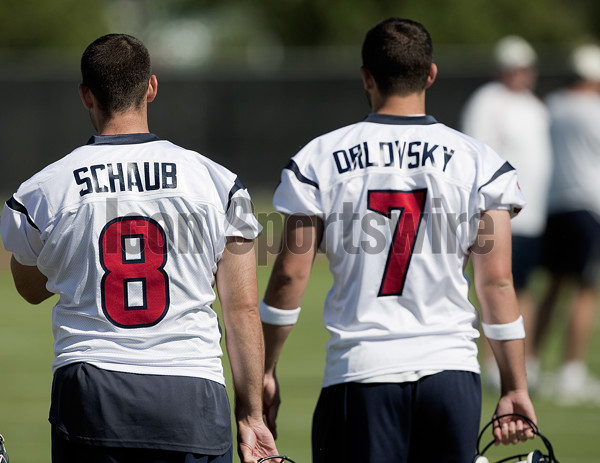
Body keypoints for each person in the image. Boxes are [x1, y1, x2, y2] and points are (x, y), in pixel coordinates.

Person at [260, 18, 537, 463]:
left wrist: (264, 368)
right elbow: (497, 284)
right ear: (430, 74)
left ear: (366, 77)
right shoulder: (480, 162)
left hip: (361, 370)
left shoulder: (318, 159)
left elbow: (290, 276)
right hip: (451, 373)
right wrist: (515, 386)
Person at [0, 34, 278, 463]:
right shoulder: (216, 181)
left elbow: (31, 288)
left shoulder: (43, 190)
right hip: (191, 393)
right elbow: (240, 309)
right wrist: (252, 417)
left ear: (85, 95)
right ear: (151, 87)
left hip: (92, 393)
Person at [461, 35, 553, 390]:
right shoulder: (488, 101)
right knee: (493, 284)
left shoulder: (534, 106)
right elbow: (477, 155)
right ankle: (492, 363)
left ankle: (522, 360)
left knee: (524, 286)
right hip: (496, 214)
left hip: (532, 214)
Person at [533, 43, 600, 405]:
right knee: (585, 291)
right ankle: (571, 371)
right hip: (589, 207)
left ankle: (530, 362)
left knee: (553, 288)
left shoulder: (553, 105)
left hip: (554, 205)